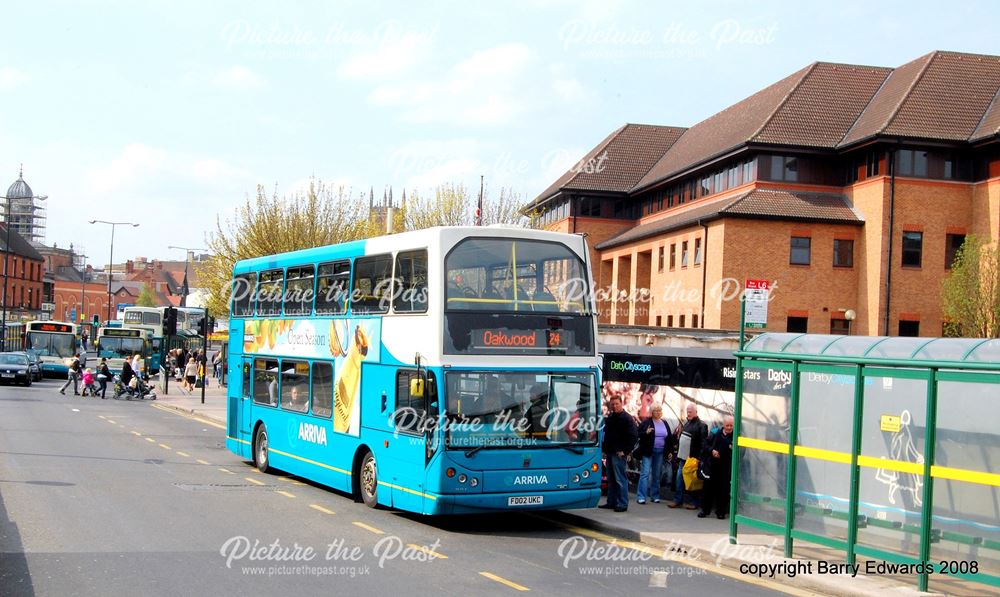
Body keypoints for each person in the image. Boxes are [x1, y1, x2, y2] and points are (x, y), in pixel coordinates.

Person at [599, 395, 638, 512]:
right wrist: (605, 450)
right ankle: (611, 502)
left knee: (620, 479)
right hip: (610, 453)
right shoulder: (611, 417)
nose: (615, 406)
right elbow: (607, 435)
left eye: (617, 404)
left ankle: (622, 503)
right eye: (613, 404)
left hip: (619, 454)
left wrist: (625, 451)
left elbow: (633, 436)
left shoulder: (627, 418)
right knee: (611, 479)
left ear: (622, 404)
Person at [669, 403, 708, 510]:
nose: (688, 413)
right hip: (683, 458)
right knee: (680, 479)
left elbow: (703, 444)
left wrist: (699, 459)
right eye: (687, 412)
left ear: (696, 412)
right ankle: (678, 500)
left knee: (691, 481)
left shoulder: (701, 426)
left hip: (692, 459)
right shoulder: (687, 423)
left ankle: (694, 502)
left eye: (690, 412)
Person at [699, 416, 734, 519]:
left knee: (723, 491)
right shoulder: (715, 433)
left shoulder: (735, 437)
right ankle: (705, 510)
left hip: (726, 468)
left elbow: (741, 452)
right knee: (707, 489)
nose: (729, 428)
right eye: (727, 425)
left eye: (731, 425)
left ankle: (721, 512)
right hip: (712, 466)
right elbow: (705, 445)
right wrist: (712, 451)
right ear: (723, 425)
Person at [636, 405, 672, 504]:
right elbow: (638, 434)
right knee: (645, 474)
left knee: (657, 474)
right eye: (656, 411)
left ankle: (655, 496)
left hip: (660, 451)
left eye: (660, 410)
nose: (658, 412)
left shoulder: (664, 423)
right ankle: (641, 496)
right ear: (652, 412)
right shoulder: (647, 422)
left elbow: (669, 438)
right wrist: (646, 432)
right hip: (648, 452)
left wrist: (669, 452)